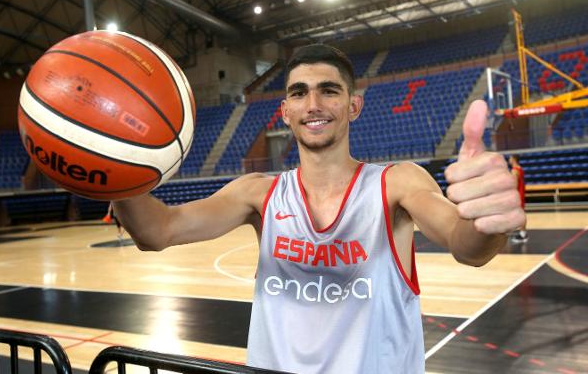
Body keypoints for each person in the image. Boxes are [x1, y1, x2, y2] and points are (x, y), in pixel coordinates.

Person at [113, 45, 525, 374]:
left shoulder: (397, 184)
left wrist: (484, 221)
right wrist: (109, 162)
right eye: (298, 92)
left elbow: (465, 245)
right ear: (286, 112)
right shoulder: (258, 194)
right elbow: (158, 231)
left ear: (353, 106)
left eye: (329, 90)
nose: (313, 103)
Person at [509, 155, 528, 243]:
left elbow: (514, 185)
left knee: (520, 215)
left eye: (510, 158)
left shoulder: (514, 170)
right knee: (520, 215)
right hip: (521, 194)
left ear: (513, 159)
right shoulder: (520, 169)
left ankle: (523, 235)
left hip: (517, 195)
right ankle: (522, 233)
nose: (509, 160)